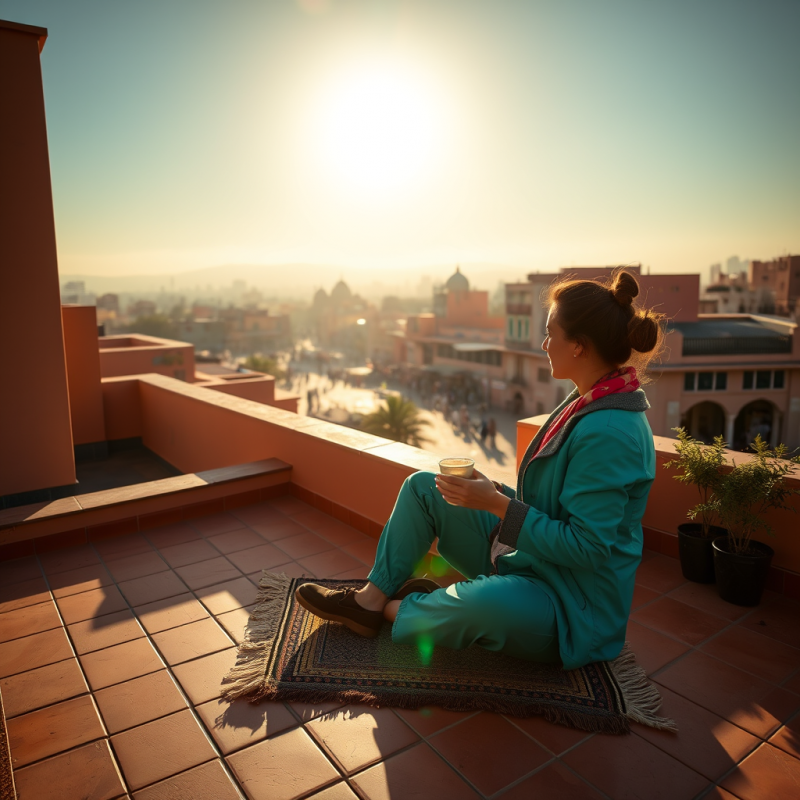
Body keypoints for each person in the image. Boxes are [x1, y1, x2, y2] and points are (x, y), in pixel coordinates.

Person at [296, 269, 664, 670]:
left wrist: (498, 505)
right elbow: (551, 507)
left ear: (578, 345)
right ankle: (369, 601)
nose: (544, 344)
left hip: (571, 606)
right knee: (424, 487)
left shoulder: (610, 432)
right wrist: (495, 494)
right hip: (533, 561)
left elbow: (587, 549)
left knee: (482, 605)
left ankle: (397, 608)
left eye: (550, 334)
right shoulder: (586, 402)